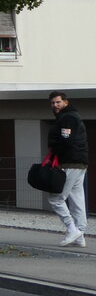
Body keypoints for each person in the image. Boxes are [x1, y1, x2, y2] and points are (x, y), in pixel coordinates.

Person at [46, 91, 88, 247]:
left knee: (56, 198)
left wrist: (54, 152)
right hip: (79, 163)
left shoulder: (67, 118)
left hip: (70, 163)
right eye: (52, 103)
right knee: (77, 200)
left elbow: (66, 141)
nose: (55, 105)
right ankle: (80, 235)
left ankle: (72, 229)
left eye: (58, 102)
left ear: (66, 102)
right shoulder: (72, 116)